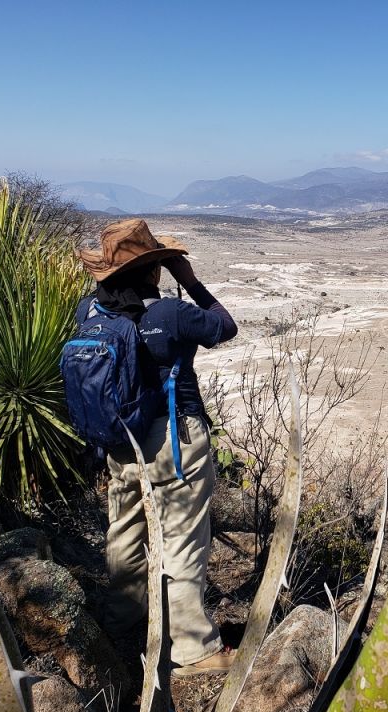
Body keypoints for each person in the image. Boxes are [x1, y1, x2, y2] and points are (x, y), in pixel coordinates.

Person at [75, 218, 238, 676]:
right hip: (173, 438)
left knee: (124, 528)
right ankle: (192, 649)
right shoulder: (170, 313)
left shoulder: (89, 312)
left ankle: (123, 622)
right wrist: (191, 281)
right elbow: (225, 326)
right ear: (154, 270)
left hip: (118, 438)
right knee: (182, 538)